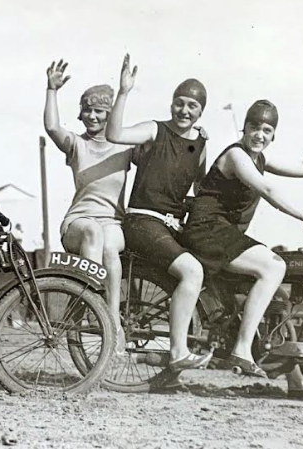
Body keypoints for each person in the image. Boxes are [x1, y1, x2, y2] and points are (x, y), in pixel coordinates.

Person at [179, 94, 303, 398]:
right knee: (274, 266)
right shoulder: (237, 156)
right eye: (254, 127)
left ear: (273, 135)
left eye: (267, 131)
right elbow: (266, 187)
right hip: (206, 229)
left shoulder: (259, 158)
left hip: (222, 233)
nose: (259, 135)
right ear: (245, 128)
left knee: (274, 286)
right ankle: (242, 349)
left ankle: (288, 375)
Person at [106, 54, 211, 370]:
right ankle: (178, 351)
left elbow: (201, 188)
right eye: (179, 103)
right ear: (171, 104)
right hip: (142, 222)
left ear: (200, 111)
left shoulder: (201, 144)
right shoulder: (155, 130)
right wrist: (123, 92)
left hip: (170, 226)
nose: (184, 110)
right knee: (192, 271)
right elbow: (115, 134)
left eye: (192, 106)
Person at [43, 59, 135, 354]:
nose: (93, 116)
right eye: (88, 110)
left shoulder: (125, 146)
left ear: (110, 115)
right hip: (79, 223)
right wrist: (51, 90)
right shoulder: (76, 145)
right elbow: (52, 126)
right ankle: (93, 307)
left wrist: (197, 138)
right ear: (81, 114)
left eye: (100, 111)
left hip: (113, 223)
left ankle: (112, 321)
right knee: (95, 233)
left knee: (109, 244)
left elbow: (162, 149)